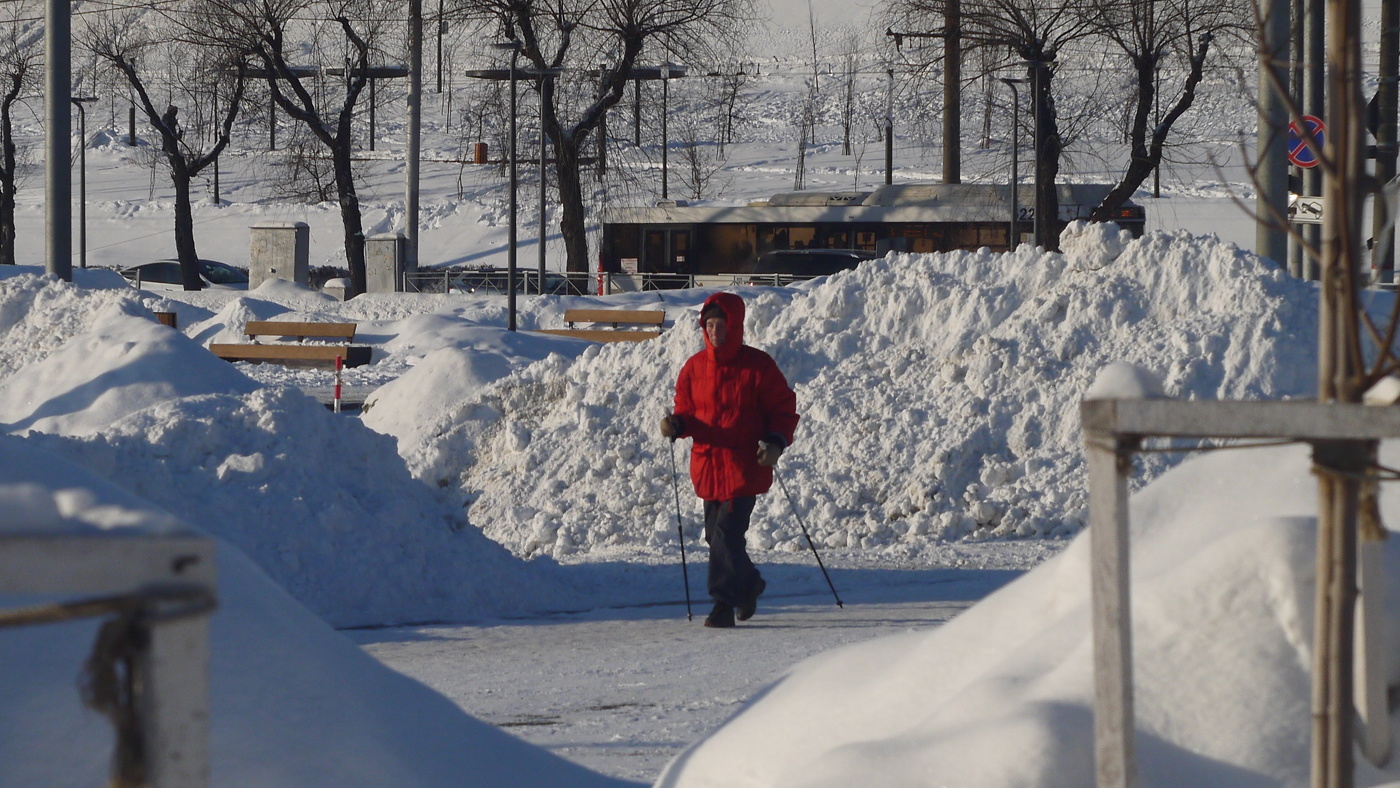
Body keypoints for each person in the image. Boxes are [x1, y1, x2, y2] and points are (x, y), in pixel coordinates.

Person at [661, 292, 799, 628]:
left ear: (734, 326)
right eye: (708, 325)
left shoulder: (758, 366)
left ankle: (722, 604)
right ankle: (748, 584)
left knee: (725, 534)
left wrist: (776, 442)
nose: (714, 331)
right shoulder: (693, 368)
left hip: (743, 466)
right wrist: (678, 424)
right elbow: (689, 411)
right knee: (715, 537)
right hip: (709, 465)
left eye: (720, 324)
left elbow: (782, 409)